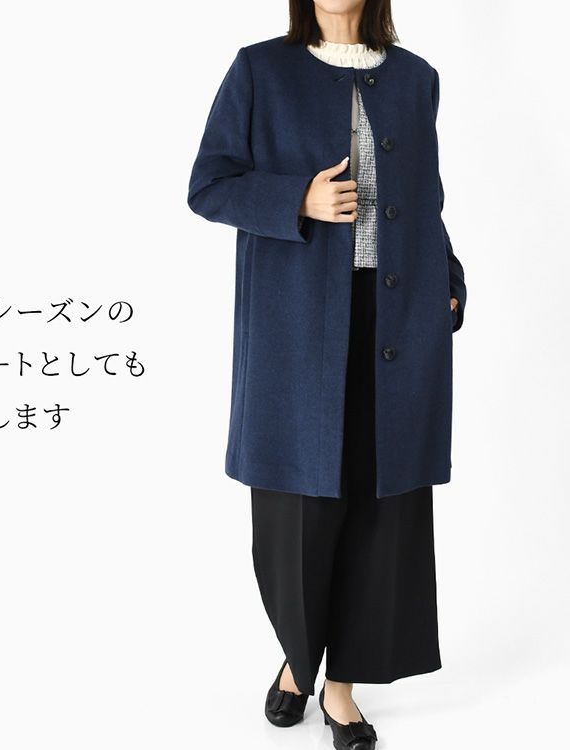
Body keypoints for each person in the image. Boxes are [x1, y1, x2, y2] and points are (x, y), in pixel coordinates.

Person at [187, 1, 467, 747]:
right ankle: (298, 655)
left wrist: (450, 284)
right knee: (301, 511)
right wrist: (298, 199)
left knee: (380, 506)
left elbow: (427, 202)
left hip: (397, 323)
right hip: (298, 328)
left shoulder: (416, 79)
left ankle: (338, 686)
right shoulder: (260, 70)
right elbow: (208, 184)